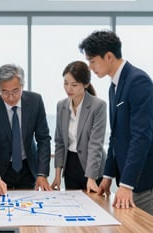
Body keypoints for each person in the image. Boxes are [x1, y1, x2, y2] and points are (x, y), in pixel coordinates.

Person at [79, 30, 153, 218]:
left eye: (92, 61)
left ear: (108, 56)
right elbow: (116, 136)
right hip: (132, 178)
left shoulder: (138, 81)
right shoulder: (114, 86)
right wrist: (107, 177)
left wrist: (126, 184)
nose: (90, 67)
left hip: (146, 178)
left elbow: (141, 137)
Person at [0, 64, 52, 195]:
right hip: (0, 171)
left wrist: (42, 173)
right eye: (5, 92)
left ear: (22, 86)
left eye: (15, 91)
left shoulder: (35, 101)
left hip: (28, 169)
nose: (11, 97)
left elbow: (43, 139)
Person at [51, 61, 107, 192]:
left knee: (94, 208)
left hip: (92, 166)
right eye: (65, 83)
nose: (68, 89)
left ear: (86, 84)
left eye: (74, 85)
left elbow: (96, 144)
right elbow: (59, 142)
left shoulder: (98, 106)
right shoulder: (61, 106)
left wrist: (91, 178)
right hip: (70, 165)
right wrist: (57, 175)